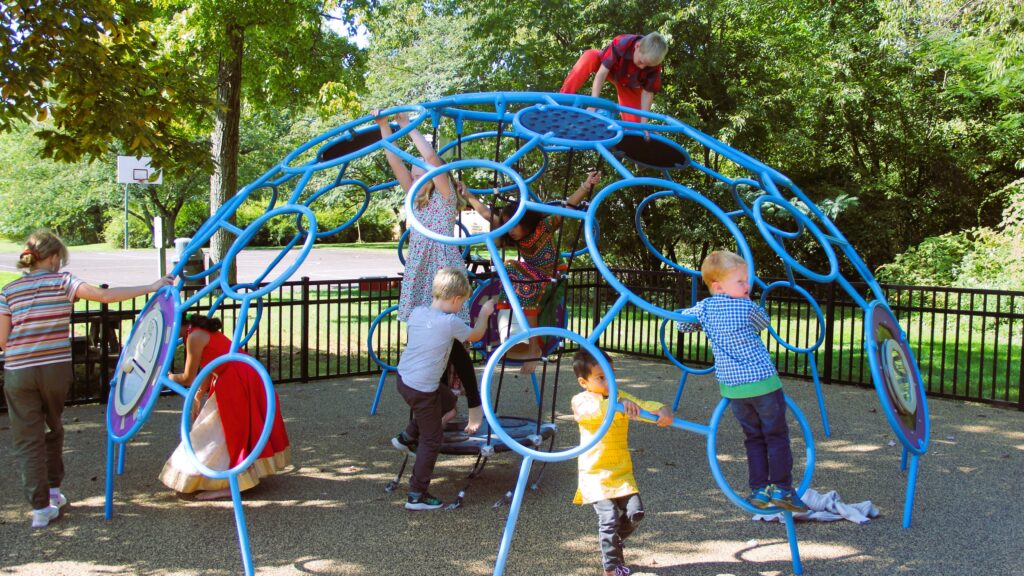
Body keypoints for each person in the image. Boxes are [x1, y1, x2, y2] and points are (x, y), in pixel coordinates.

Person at [0, 230, 172, 528]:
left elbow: (2, 340)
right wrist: (152, 286)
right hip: (54, 368)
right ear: (53, 257)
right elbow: (105, 296)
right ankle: (54, 490)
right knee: (53, 426)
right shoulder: (63, 281)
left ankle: (40, 508)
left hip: (18, 370)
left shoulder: (9, 291)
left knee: (28, 439)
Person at [374, 110, 487, 433]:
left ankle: (473, 406)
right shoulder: (414, 199)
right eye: (414, 165)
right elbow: (395, 159)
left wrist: (409, 125)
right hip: (421, 271)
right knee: (428, 339)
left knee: (453, 343)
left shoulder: (447, 196)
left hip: (443, 269)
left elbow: (432, 158)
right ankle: (441, 407)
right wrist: (384, 127)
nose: (415, 165)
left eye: (419, 163)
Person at [675, 251, 808, 513]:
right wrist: (749, 303)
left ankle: (759, 489)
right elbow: (763, 323)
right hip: (763, 383)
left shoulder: (704, 308)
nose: (747, 287)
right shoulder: (747, 307)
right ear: (718, 286)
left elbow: (682, 325)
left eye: (747, 281)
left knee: (753, 438)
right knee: (777, 436)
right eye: (741, 282)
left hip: (733, 390)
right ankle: (782, 488)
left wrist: (703, 323)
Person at [461, 170, 601, 371]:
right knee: (520, 288)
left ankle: (533, 347)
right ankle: (527, 344)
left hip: (553, 274)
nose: (510, 229)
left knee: (513, 271)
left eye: (514, 224)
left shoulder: (543, 227)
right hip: (533, 276)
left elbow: (568, 206)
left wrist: (586, 185)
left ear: (525, 221)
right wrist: (467, 195)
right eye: (507, 225)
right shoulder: (512, 234)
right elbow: (485, 213)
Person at [390, 267, 495, 510]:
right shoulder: (450, 323)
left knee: (447, 401)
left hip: (404, 379)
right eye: (463, 303)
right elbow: (476, 335)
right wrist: (486, 313)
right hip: (422, 390)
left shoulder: (417, 313)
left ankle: (406, 436)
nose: (461, 308)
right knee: (432, 438)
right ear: (456, 299)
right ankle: (417, 494)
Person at [159, 313, 292, 500]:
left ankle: (233, 483)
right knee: (223, 429)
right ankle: (229, 477)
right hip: (239, 374)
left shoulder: (194, 337)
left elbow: (188, 377)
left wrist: (167, 376)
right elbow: (209, 365)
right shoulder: (196, 332)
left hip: (236, 378)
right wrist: (199, 394)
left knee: (231, 430)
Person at [571, 348, 673, 576]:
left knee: (636, 513)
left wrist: (662, 410)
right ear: (583, 382)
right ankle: (612, 566)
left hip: (620, 471)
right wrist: (621, 405)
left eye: (611, 374)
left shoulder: (620, 397)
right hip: (595, 473)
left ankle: (613, 544)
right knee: (608, 518)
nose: (609, 381)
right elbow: (595, 412)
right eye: (601, 377)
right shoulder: (581, 401)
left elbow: (644, 404)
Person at [560, 33, 668, 124]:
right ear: (637, 46)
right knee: (590, 55)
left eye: (647, 66)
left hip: (629, 85)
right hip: (610, 70)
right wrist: (593, 105)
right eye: (641, 62)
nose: (642, 67)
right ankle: (562, 101)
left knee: (637, 125)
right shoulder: (622, 43)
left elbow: (647, 93)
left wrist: (644, 124)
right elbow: (601, 74)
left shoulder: (654, 65)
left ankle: (632, 139)